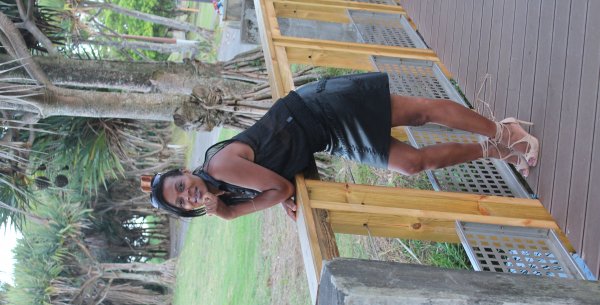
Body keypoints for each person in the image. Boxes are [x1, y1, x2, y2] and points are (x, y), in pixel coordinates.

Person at [140, 72, 539, 221]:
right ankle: (497, 150)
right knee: (412, 164)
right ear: (188, 210)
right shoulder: (223, 187)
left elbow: (280, 187)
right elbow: (277, 179)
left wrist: (234, 212)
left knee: (419, 113)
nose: (189, 195)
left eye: (181, 186)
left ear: (186, 172)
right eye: (182, 202)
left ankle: (503, 132)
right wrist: (271, 198)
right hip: (327, 136)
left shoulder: (220, 169)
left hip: (322, 108)